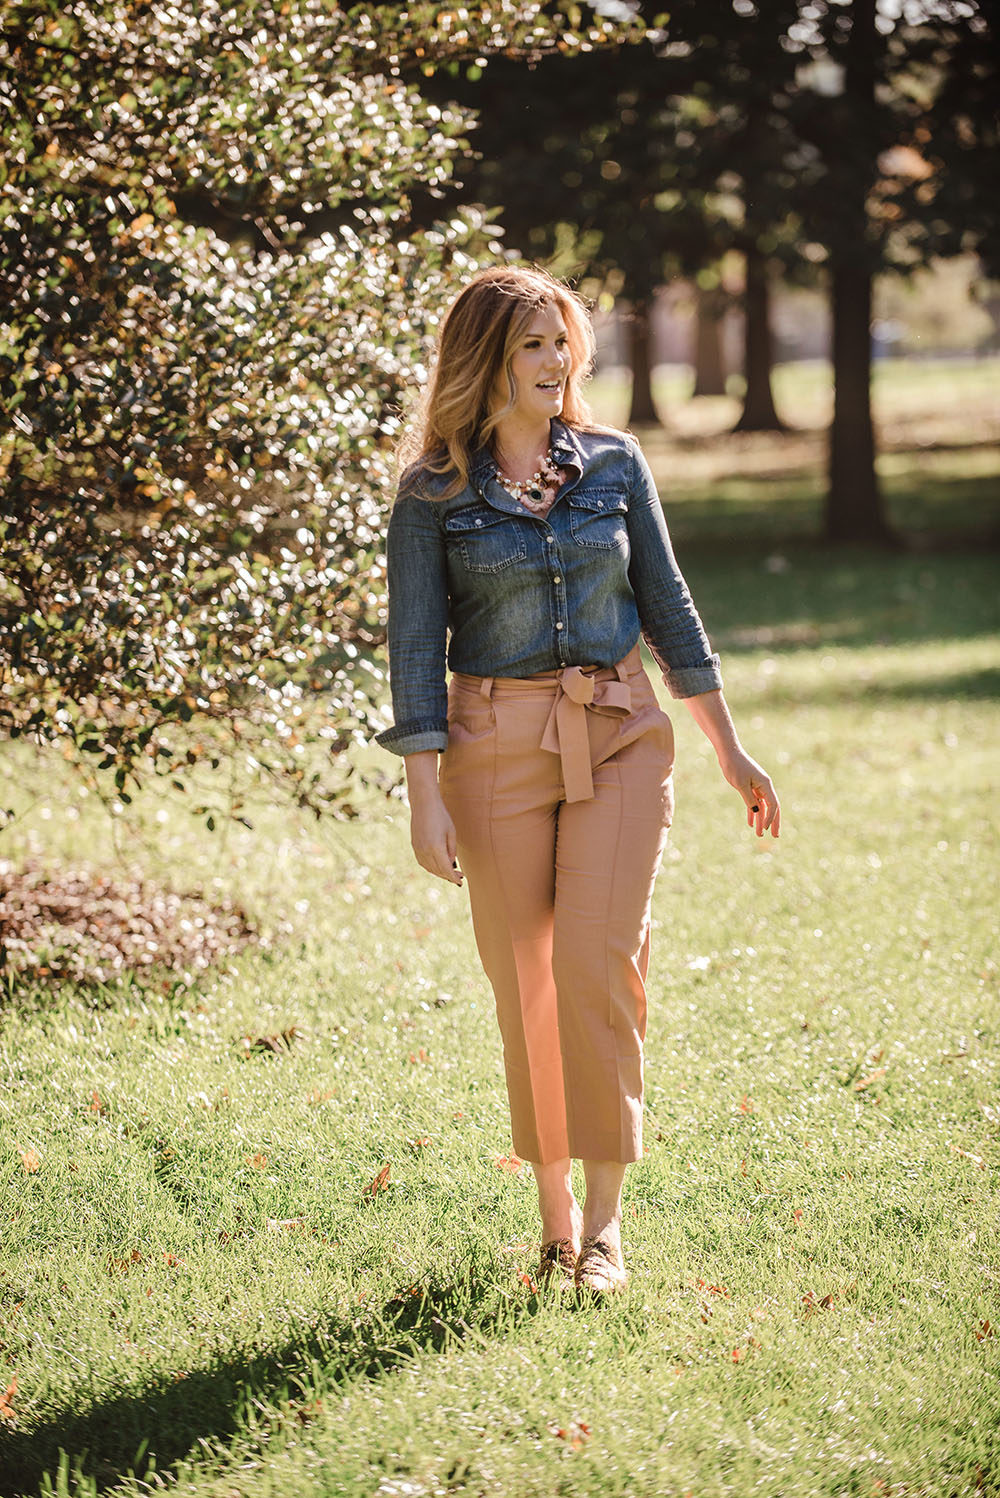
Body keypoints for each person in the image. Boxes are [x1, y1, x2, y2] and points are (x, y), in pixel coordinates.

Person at [376, 265, 779, 1297]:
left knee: (600, 965)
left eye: (564, 342)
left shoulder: (614, 464)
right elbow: (417, 651)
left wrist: (727, 746)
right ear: (487, 361)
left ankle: (604, 1232)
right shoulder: (432, 496)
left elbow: (670, 608)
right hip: (491, 746)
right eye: (534, 346)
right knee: (528, 986)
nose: (558, 362)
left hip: (618, 732)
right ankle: (553, 1225)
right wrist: (424, 793)